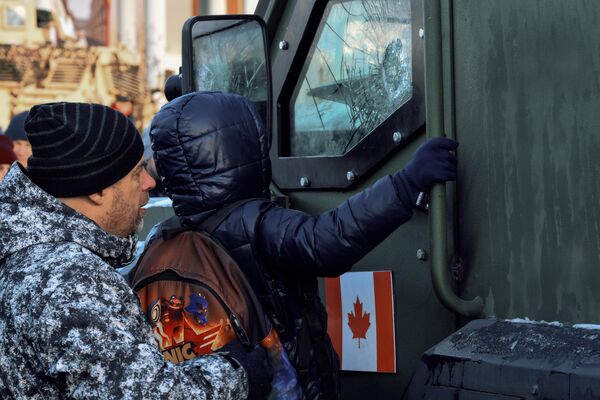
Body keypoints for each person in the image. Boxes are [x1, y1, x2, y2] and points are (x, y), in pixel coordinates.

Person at [148, 91, 458, 399]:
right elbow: (326, 240)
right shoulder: (255, 221)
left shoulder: (164, 237)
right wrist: (405, 185)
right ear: (243, 148)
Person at [0, 102, 271, 399]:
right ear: (97, 189)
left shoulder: (26, 253)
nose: (149, 182)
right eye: (136, 172)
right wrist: (236, 372)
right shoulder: (69, 278)